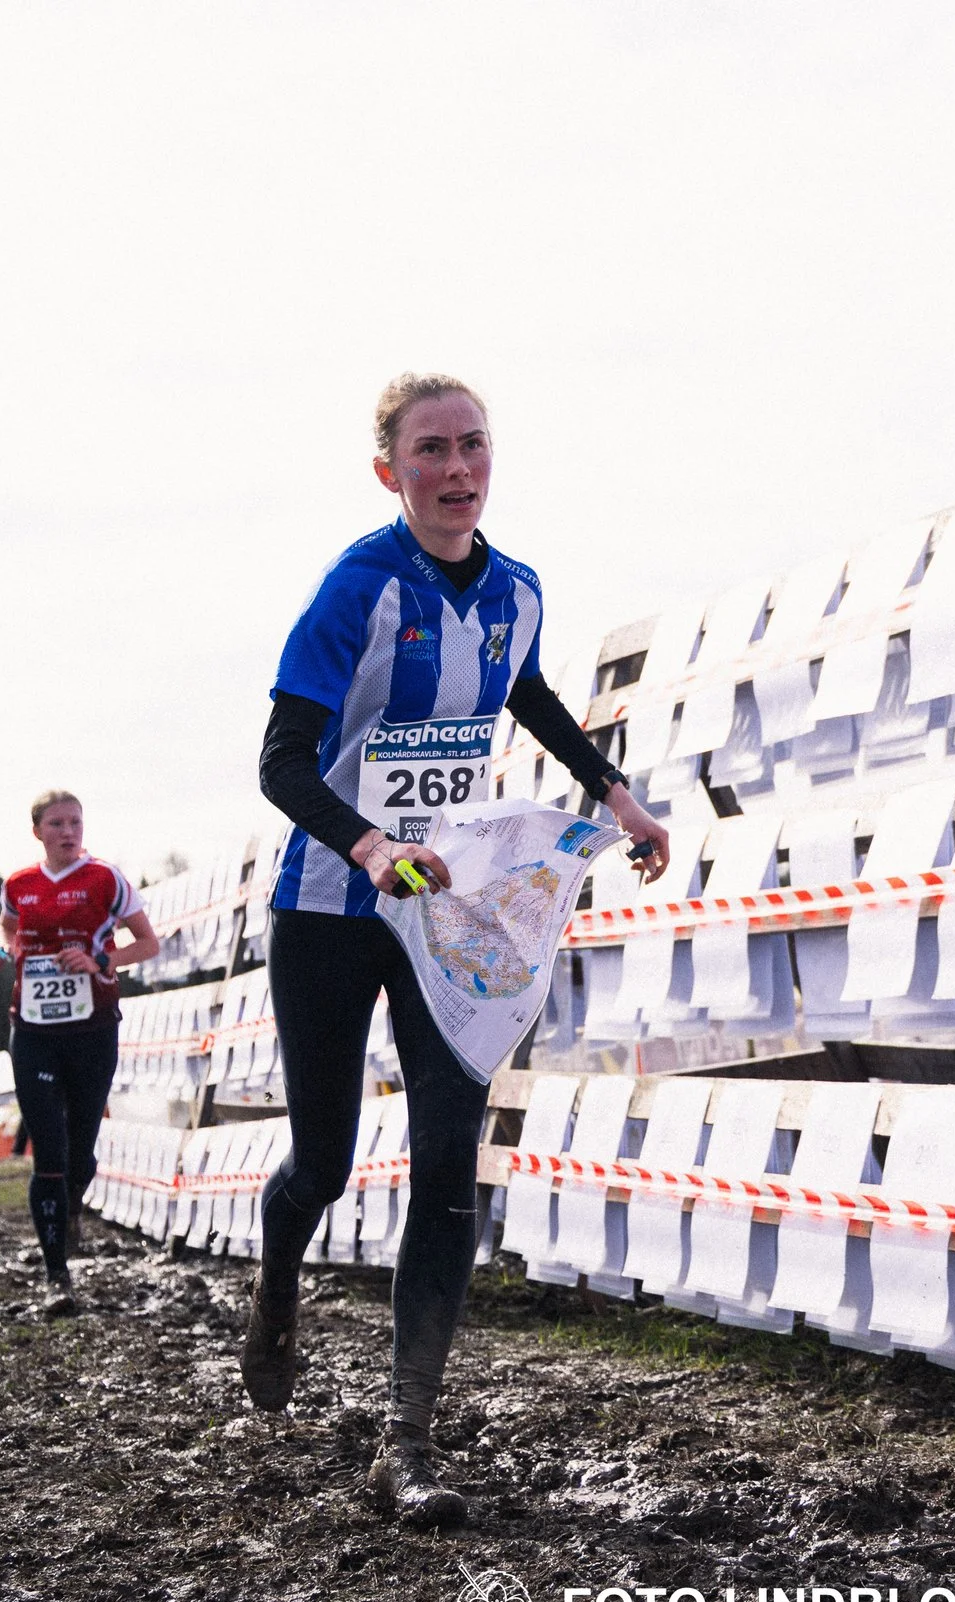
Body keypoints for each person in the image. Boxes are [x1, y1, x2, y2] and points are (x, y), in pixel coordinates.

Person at [243, 372, 669, 1530]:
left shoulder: (518, 589)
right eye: (430, 449)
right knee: (322, 1163)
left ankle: (408, 1441)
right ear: (390, 470)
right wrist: (371, 843)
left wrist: (616, 795)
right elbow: (280, 761)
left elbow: (526, 692)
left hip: (447, 914)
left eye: (472, 444)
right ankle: (276, 1285)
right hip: (331, 909)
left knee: (445, 1162)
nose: (456, 468)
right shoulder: (358, 587)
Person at [0, 792, 159, 1303]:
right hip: (33, 1031)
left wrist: (101, 960)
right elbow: (8, 927)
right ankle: (56, 1275)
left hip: (92, 1029)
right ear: (37, 831)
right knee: (49, 1153)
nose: (69, 832)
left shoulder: (106, 878)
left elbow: (148, 943)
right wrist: (1, 948)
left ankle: (73, 1207)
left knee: (80, 1154)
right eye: (57, 823)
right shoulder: (19, 884)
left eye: (76, 823)